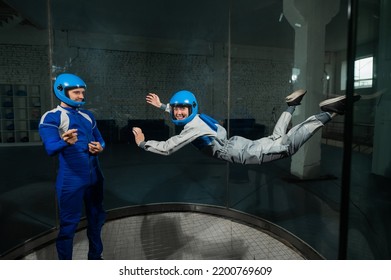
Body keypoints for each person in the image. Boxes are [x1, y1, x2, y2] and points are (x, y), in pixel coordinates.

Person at [132, 89, 360, 165]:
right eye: (175, 109)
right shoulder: (195, 118)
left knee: (287, 147)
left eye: (182, 109)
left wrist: (143, 142)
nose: (178, 112)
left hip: (236, 151)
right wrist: (163, 105)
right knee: (275, 139)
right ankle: (291, 106)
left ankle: (329, 112)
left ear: (191, 108)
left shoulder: (193, 129)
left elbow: (167, 147)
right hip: (236, 142)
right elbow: (179, 114)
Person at [39, 73, 106, 260]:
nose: (81, 96)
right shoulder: (52, 117)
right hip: (71, 180)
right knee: (68, 227)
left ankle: (95, 258)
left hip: (95, 178)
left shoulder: (88, 115)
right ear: (61, 91)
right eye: (76, 92)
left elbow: (101, 140)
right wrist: (65, 142)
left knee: (96, 220)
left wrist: (100, 147)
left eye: (82, 92)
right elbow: (50, 148)